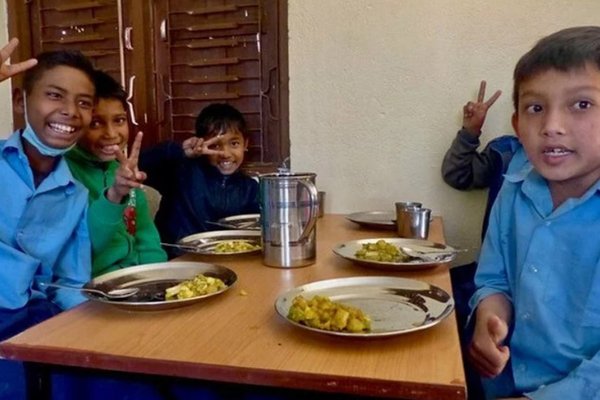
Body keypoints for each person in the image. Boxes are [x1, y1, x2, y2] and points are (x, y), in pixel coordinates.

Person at [468, 26, 600, 399]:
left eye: (582, 104)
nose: (552, 127)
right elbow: (493, 280)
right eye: (535, 108)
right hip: (502, 384)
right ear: (517, 125)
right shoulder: (512, 190)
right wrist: (488, 320)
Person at [0, 45, 95, 399]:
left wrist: (100, 324)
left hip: (35, 319)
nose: (70, 111)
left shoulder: (76, 194)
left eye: (84, 102)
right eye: (55, 95)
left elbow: (71, 282)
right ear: (20, 101)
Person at [66, 70, 166, 277]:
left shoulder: (122, 171)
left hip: (136, 279)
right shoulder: (63, 174)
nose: (111, 134)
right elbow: (86, 245)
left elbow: (146, 238)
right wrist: (114, 195)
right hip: (93, 285)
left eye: (119, 120)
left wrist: (160, 280)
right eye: (95, 123)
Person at [139, 103, 260, 255]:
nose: (225, 153)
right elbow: (140, 165)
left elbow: (252, 231)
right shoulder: (181, 171)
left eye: (234, 143)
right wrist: (181, 151)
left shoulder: (250, 188)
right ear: (201, 144)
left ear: (245, 144)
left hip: (226, 260)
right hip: (178, 258)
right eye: (215, 146)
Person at [442, 80, 522, 239]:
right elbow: (457, 175)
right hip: (493, 254)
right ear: (517, 120)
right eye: (536, 109)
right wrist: (470, 132)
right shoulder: (505, 152)